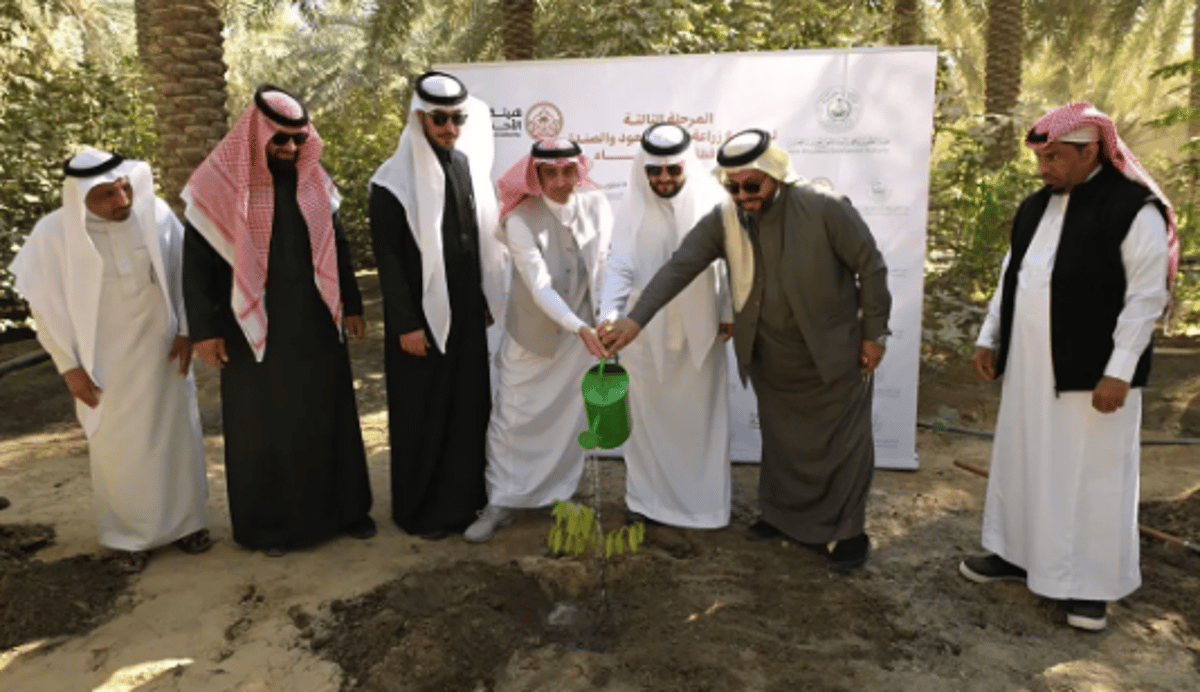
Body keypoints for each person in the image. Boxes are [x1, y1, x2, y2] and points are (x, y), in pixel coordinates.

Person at [602, 129, 891, 573]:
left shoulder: (824, 208)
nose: (742, 196)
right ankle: (782, 518)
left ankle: (849, 533)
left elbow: (870, 267)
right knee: (781, 440)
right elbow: (680, 267)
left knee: (842, 445)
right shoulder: (727, 218)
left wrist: (874, 334)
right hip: (772, 353)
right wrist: (635, 320)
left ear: (775, 175)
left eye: (751, 186)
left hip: (831, 351)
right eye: (732, 187)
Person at [961, 102, 1176, 631]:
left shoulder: (1134, 209)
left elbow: (1146, 297)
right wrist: (991, 337)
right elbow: (1012, 276)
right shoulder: (1035, 206)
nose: (1043, 168)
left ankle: (1089, 586)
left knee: (1090, 476)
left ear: (1091, 151)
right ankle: (1017, 554)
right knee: (1024, 459)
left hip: (1092, 374)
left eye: (1054, 157)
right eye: (1040, 157)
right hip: (1029, 368)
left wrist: (1119, 370)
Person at [182, 85, 375, 556]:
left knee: (328, 415)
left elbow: (338, 245)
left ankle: (346, 512)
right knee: (265, 428)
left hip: (316, 325)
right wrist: (204, 331)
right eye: (280, 139)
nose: (291, 148)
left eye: (298, 139)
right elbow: (196, 267)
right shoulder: (216, 186)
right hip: (252, 334)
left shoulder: (314, 181)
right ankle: (272, 528)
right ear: (256, 135)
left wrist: (351, 304)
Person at [8, 148, 211, 573]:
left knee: (177, 438)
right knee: (120, 449)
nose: (122, 201)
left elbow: (185, 273)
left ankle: (187, 525)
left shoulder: (155, 214)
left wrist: (188, 329)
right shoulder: (54, 235)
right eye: (107, 195)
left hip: (163, 352)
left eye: (125, 189)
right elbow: (45, 308)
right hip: (103, 364)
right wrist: (68, 366)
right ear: (80, 197)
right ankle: (128, 538)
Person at [368, 71, 508, 539]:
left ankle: (465, 502)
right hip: (418, 323)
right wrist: (406, 324)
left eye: (457, 119)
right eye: (440, 119)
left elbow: (470, 240)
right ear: (420, 119)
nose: (450, 128)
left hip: (465, 315)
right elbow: (389, 263)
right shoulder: (390, 182)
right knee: (423, 414)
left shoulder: (463, 165)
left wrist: (482, 298)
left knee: (467, 407)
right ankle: (423, 511)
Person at [464, 138, 613, 543]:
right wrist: (578, 326)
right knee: (514, 419)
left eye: (568, 171)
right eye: (551, 173)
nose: (561, 181)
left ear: (579, 170)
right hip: (534, 336)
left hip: (580, 339)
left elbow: (602, 264)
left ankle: (558, 495)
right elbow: (539, 285)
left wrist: (602, 319)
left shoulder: (597, 204)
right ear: (536, 175)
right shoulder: (519, 218)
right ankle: (501, 502)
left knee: (568, 420)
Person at [598, 122, 733, 529]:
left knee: (700, 422)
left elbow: (733, 263)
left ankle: (704, 508)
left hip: (701, 328)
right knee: (646, 424)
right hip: (643, 334)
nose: (664, 179)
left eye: (673, 169)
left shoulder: (715, 200)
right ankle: (646, 503)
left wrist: (728, 312)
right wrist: (609, 315)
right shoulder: (632, 206)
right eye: (654, 171)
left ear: (686, 165)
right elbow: (619, 264)